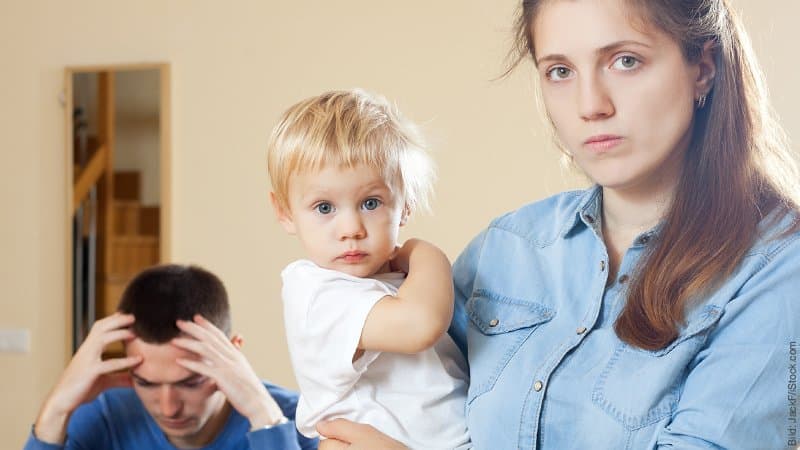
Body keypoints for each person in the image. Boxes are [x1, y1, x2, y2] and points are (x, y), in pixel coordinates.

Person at [316, 0, 800, 448]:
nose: (591, 105)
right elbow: (385, 404)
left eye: (625, 60)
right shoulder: (508, 247)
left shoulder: (780, 269)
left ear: (704, 68)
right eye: (560, 71)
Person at [267, 89, 470, 449]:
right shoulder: (315, 291)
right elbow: (419, 325)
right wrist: (425, 252)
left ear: (405, 205)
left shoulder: (400, 283)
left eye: (370, 203)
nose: (351, 229)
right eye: (324, 207)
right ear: (285, 212)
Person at [26, 264, 318, 450]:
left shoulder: (299, 420)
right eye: (146, 383)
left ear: (233, 353)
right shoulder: (102, 414)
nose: (168, 408)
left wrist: (263, 417)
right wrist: (57, 409)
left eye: (191, 382)